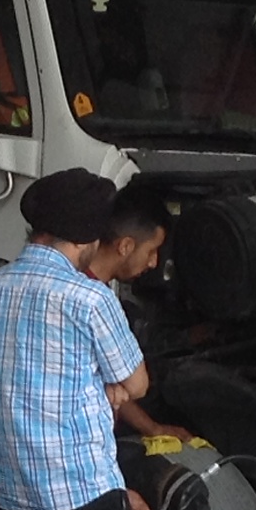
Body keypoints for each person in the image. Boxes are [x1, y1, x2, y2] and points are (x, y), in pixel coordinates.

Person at [0, 168, 153, 510]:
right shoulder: (90, 298)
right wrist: (110, 384)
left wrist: (103, 381)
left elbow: (22, 371)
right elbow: (137, 385)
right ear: (85, 237)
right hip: (81, 498)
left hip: (12, 501)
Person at [86, 185, 196, 445]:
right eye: (151, 250)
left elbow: (113, 380)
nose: (153, 262)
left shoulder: (86, 287)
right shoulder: (95, 301)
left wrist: (152, 428)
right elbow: (136, 385)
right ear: (125, 246)